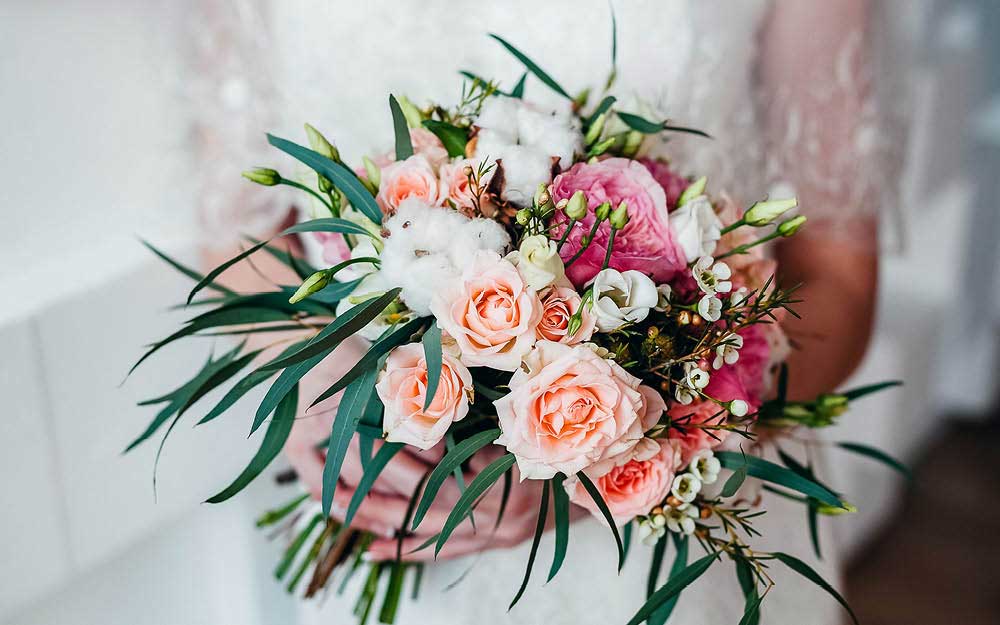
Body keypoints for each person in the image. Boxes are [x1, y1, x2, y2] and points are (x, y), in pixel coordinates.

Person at [191, 1, 908, 622]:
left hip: (663, 558)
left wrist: (594, 455)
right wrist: (320, 386)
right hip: (392, 539)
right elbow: (238, 229)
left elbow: (839, 275)